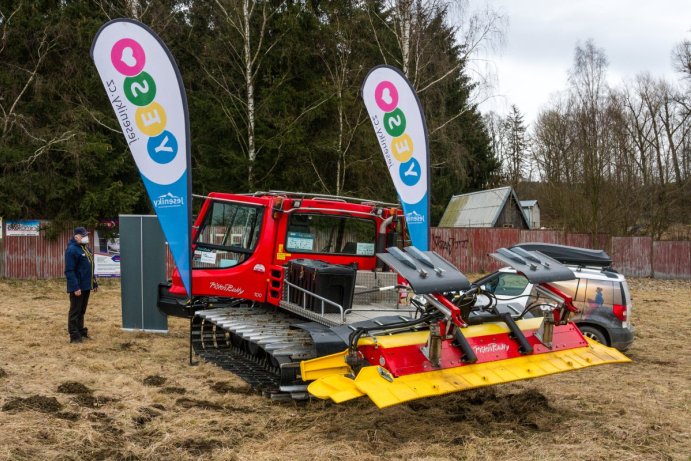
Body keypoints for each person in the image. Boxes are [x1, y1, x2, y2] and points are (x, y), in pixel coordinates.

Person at [65, 226, 98, 343]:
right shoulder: (72, 250)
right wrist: (75, 287)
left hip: (86, 286)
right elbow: (69, 271)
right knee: (75, 311)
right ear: (76, 237)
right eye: (83, 236)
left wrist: (93, 282)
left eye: (86, 235)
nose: (86, 237)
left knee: (82, 311)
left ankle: (81, 332)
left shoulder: (85, 248)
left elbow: (89, 267)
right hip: (78, 287)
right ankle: (74, 336)